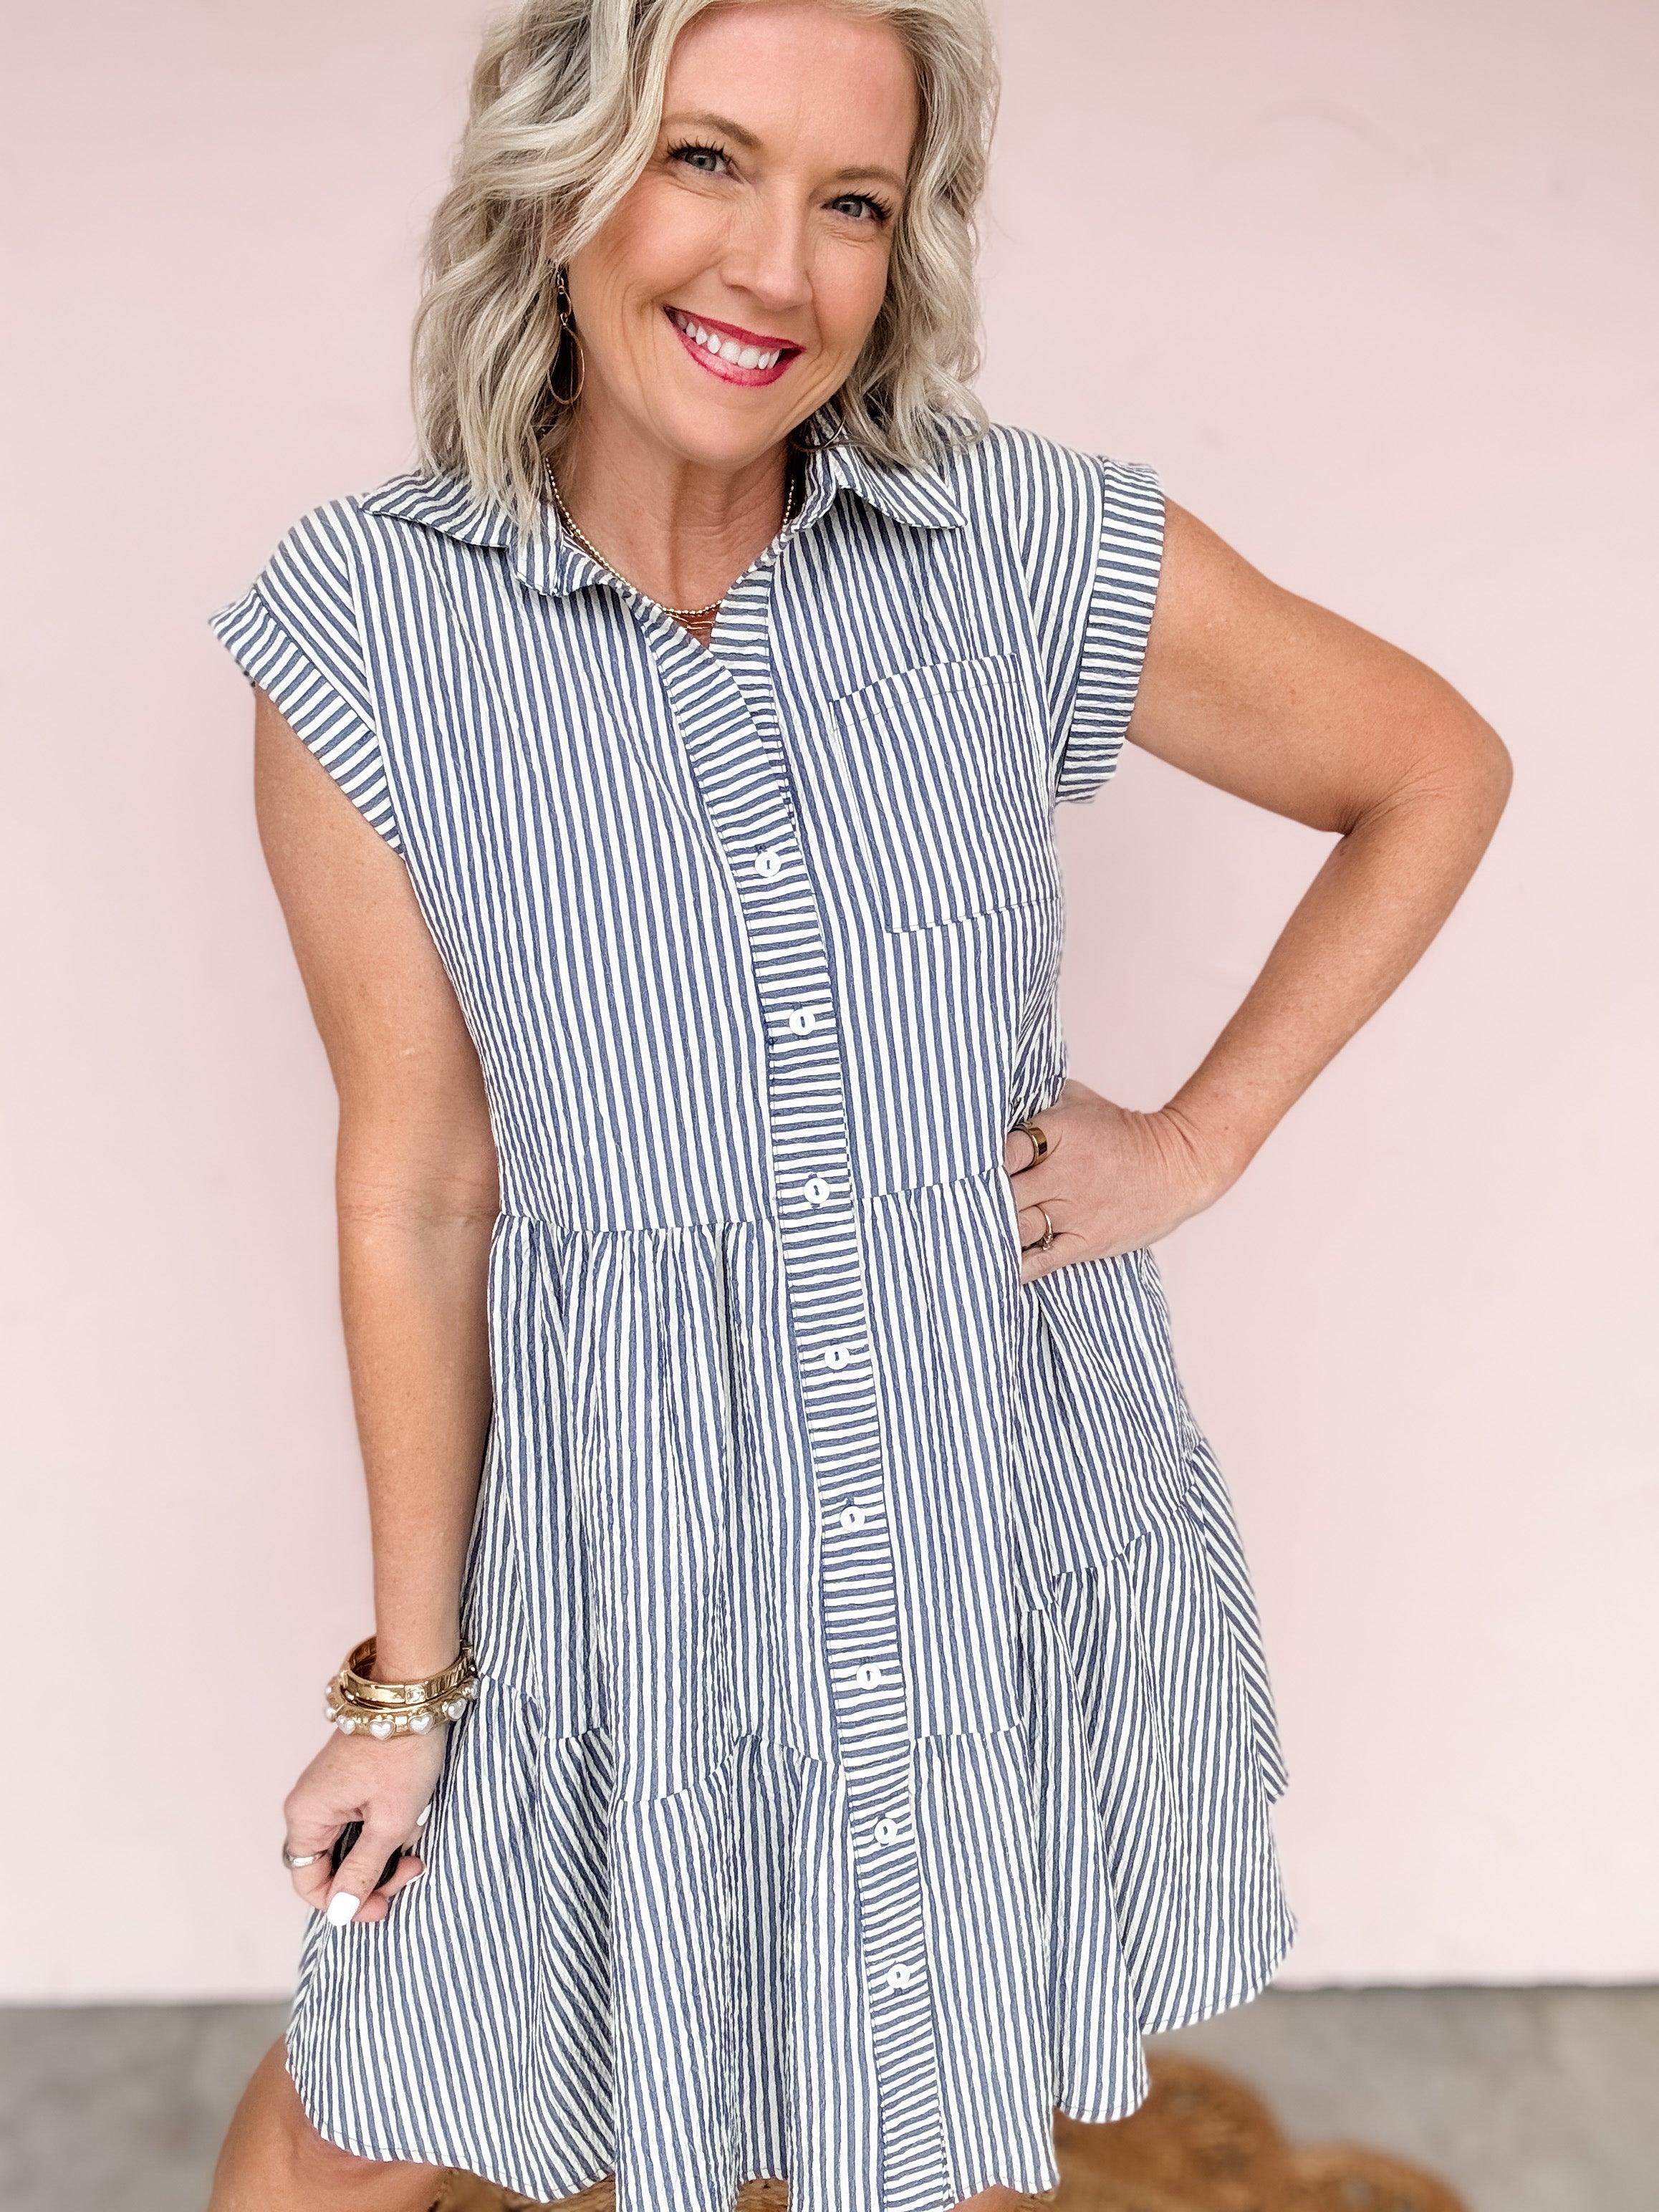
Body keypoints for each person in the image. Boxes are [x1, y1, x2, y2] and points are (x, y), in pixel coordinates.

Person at [203, 1, 1511, 2207]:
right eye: (704, 159)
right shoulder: (368, 624)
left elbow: (1428, 767)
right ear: (562, 174)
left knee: (927, 2099)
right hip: (616, 1544)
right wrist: (408, 1693)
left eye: (851, 203)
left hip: (966, 1493)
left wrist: (1195, 1142)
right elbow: (419, 1186)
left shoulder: (1013, 544)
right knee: (379, 2087)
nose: (773, 268)